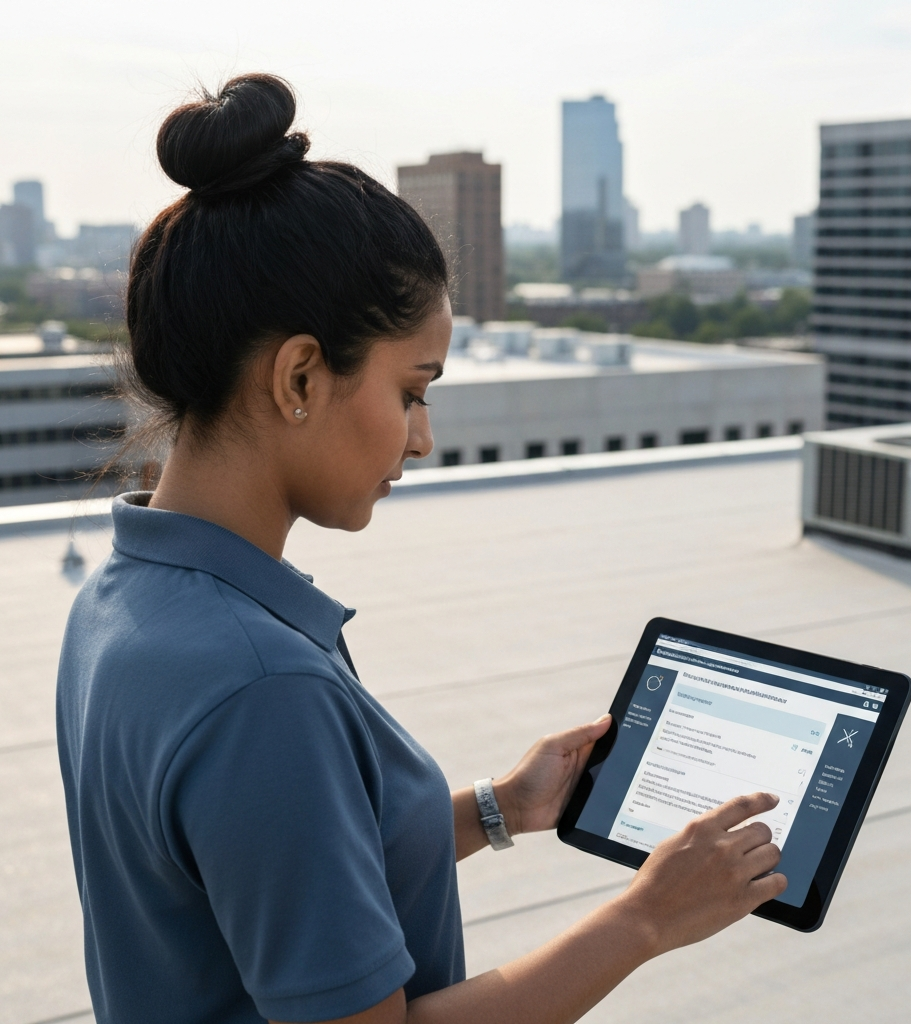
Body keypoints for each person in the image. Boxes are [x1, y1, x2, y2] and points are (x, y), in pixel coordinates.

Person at [56, 73, 786, 1024]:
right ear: (302, 377)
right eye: (411, 389)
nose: (422, 437)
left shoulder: (126, 600)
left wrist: (504, 807)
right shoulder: (261, 685)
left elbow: (276, 867)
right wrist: (648, 919)